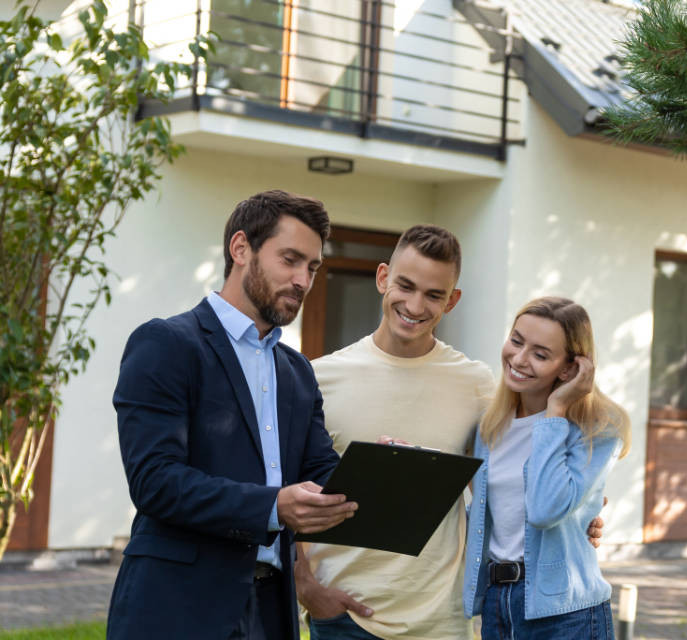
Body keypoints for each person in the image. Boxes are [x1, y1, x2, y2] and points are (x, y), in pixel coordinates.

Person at [297, 227, 607, 640]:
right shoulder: (318, 378)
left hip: (441, 618)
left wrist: (585, 512)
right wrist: (307, 589)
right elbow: (285, 486)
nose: (414, 305)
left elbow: (524, 474)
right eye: (405, 286)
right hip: (345, 614)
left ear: (452, 300)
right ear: (383, 277)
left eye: (433, 294)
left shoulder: (478, 386)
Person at [108, 190, 359, 640]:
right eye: (290, 259)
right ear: (240, 248)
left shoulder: (298, 371)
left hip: (270, 609)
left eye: (313, 267)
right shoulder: (166, 344)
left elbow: (322, 471)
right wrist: (272, 506)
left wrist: (384, 470)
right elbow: (155, 481)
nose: (303, 279)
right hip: (176, 607)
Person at [462, 297, 631, 640]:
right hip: (499, 603)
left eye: (540, 354)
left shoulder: (598, 428)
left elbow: (543, 510)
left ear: (570, 369)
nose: (519, 359)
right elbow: (492, 517)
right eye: (516, 341)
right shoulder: (490, 426)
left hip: (565, 612)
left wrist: (555, 411)